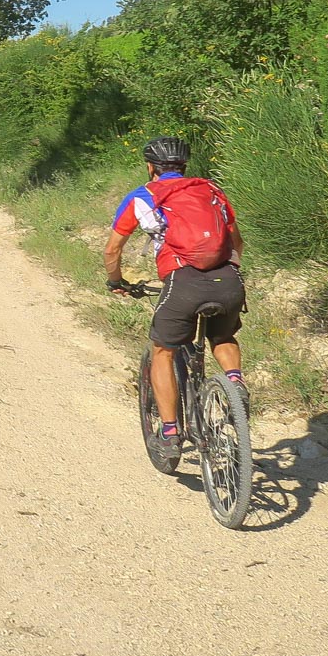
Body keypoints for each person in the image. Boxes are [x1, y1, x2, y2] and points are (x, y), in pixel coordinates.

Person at [103, 136, 248, 457]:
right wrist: (231, 269)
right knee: (222, 335)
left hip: (183, 283)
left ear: (150, 167)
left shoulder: (143, 195)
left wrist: (116, 281)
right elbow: (237, 241)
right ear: (184, 166)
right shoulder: (211, 190)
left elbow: (113, 248)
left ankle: (169, 434)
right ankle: (236, 387)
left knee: (162, 352)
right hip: (228, 280)